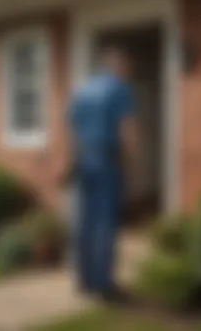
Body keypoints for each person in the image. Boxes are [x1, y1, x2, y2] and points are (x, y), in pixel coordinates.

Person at [55, 45, 140, 300]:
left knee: (84, 222)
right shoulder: (120, 88)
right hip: (105, 160)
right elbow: (128, 128)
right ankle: (104, 285)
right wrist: (131, 163)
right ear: (120, 65)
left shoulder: (82, 90)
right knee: (104, 222)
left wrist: (67, 162)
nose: (129, 72)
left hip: (82, 160)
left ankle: (84, 280)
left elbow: (68, 129)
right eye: (127, 67)